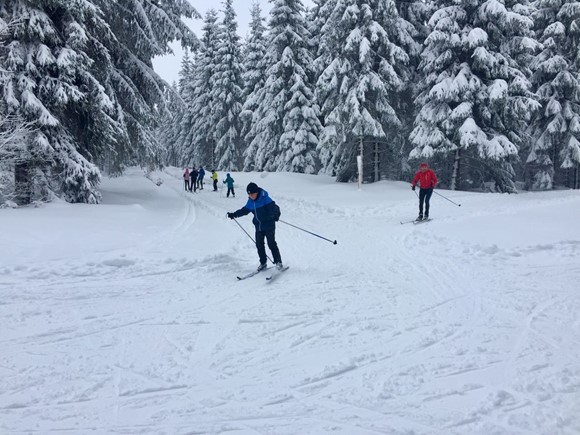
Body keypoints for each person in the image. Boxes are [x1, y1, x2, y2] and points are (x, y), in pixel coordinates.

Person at [227, 182, 283, 271]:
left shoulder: (265, 198)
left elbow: (275, 207)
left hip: (269, 225)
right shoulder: (250, 201)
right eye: (249, 194)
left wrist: (276, 214)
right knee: (259, 245)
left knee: (271, 243)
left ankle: (278, 262)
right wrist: (234, 214)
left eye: (252, 194)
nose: (251, 196)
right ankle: (263, 263)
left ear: (257, 192)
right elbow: (244, 210)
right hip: (259, 226)